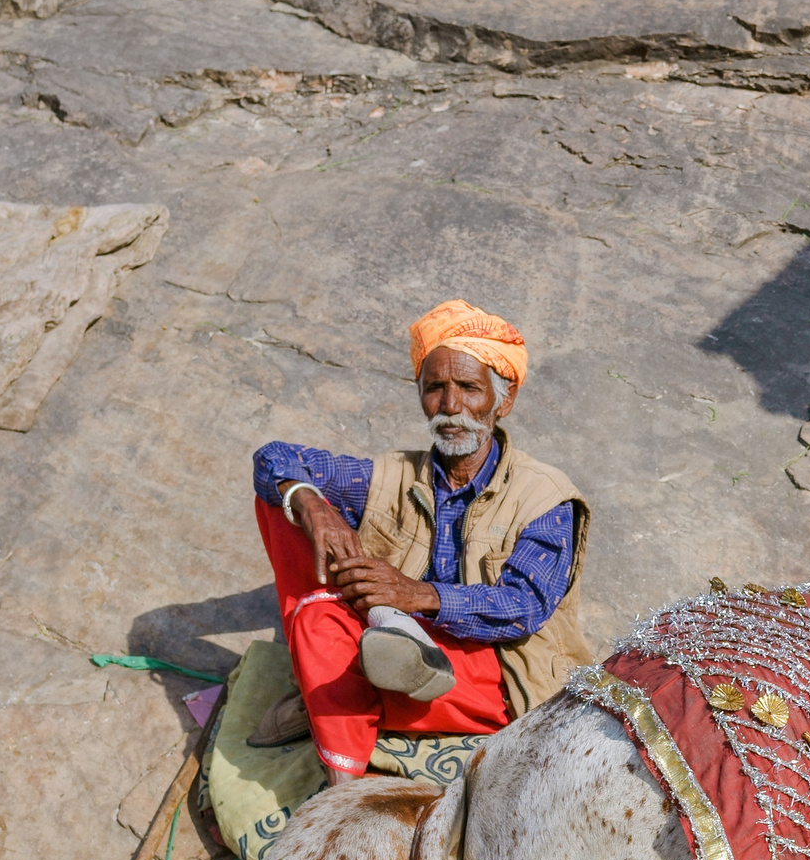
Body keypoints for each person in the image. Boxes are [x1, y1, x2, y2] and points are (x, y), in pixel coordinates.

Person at [249, 300, 592, 784]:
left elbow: (523, 607)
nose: (450, 407)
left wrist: (415, 595)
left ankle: (329, 701)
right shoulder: (394, 474)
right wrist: (312, 505)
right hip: (397, 638)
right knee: (294, 540)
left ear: (503, 400)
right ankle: (344, 780)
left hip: (490, 674)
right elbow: (274, 457)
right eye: (435, 388)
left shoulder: (546, 498)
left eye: (469, 389)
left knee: (335, 658)